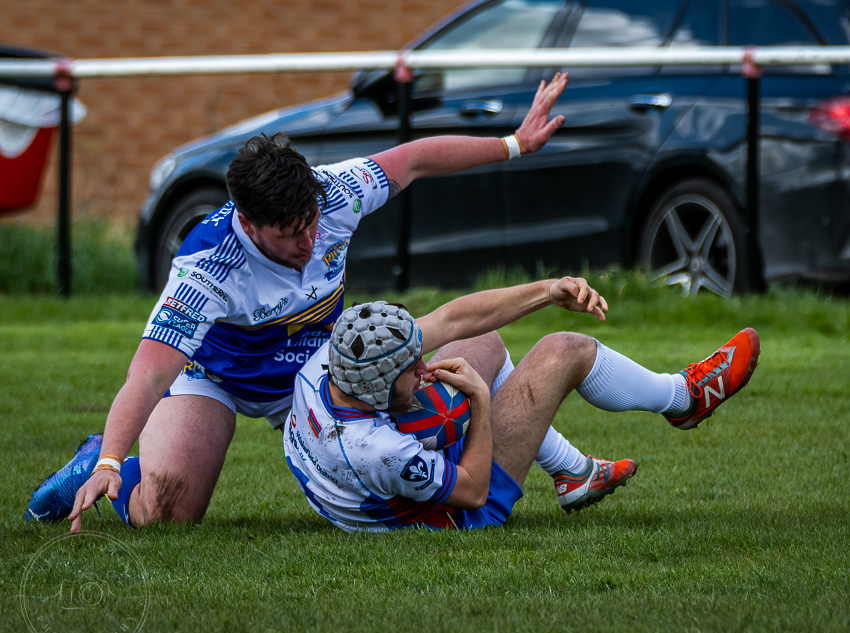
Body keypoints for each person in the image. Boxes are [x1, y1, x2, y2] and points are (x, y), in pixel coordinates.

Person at [25, 73, 590, 532]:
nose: (307, 242)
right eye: (289, 233)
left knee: (425, 414)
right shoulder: (205, 267)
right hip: (220, 378)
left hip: (322, 369)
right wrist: (108, 462)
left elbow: (415, 158)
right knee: (166, 513)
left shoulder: (335, 193)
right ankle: (100, 459)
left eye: (312, 224)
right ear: (247, 223)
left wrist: (514, 143)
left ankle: (572, 467)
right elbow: (146, 378)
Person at [284, 279, 760, 532]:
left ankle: (573, 471)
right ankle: (684, 398)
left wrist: (549, 290)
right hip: (455, 515)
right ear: (378, 392)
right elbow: (470, 492)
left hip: (365, 476)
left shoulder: (329, 365)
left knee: (482, 340)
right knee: (563, 351)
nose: (424, 368)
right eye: (413, 370)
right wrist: (480, 401)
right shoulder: (376, 449)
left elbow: (452, 318)